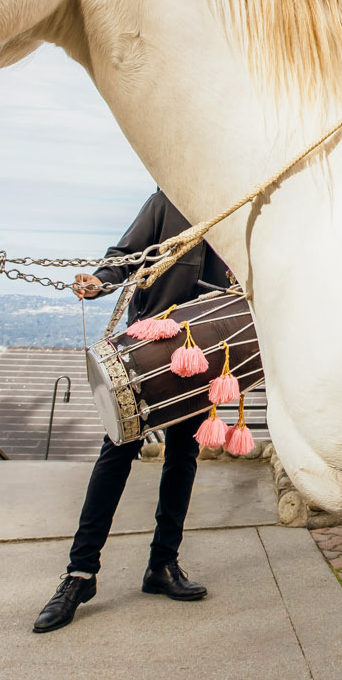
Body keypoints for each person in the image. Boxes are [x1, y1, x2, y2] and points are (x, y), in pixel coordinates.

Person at [33, 190, 235, 633]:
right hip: (150, 350)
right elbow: (126, 256)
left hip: (205, 355)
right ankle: (80, 575)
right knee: (116, 454)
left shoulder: (238, 205)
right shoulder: (169, 200)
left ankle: (163, 566)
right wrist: (100, 280)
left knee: (183, 459)